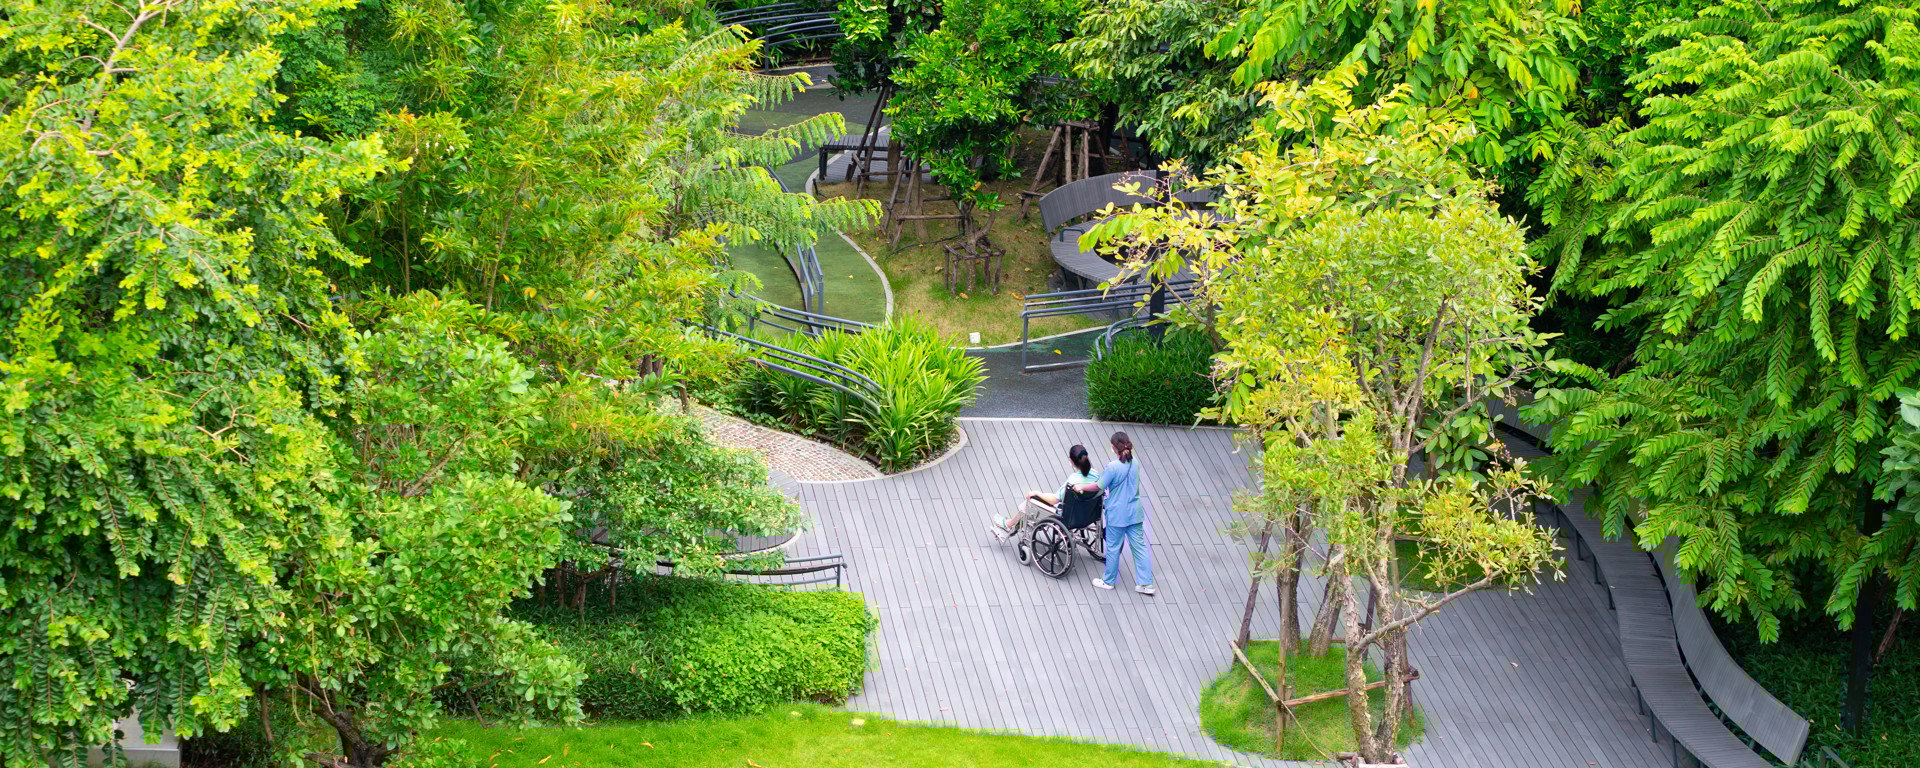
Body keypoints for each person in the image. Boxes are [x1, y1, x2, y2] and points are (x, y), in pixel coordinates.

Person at [991, 444, 1101, 540]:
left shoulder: (1073, 481)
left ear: (1072, 461)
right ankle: (1013, 523)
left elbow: (1054, 500)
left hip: (1068, 514)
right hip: (1088, 513)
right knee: (1044, 496)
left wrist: (1038, 494)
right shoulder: (1096, 475)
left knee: (1029, 502)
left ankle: (1009, 524)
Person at [1092, 431, 1154, 595]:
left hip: (1117, 515)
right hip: (1135, 513)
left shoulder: (1112, 467)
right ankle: (1145, 584)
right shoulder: (1136, 464)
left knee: (1113, 547)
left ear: (1114, 447)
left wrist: (1082, 488)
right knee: (1139, 548)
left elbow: (1099, 486)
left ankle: (1109, 581)